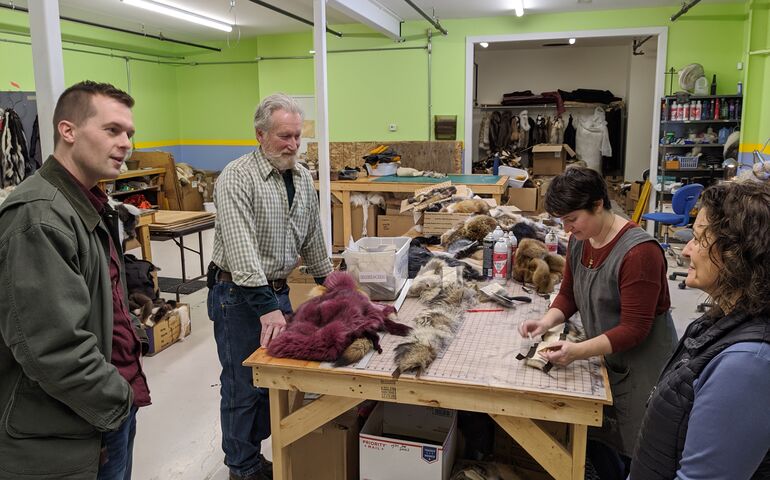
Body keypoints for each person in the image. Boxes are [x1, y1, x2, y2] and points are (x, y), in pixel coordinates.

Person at [0, 81, 151, 480]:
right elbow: (51, 347)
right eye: (112, 130)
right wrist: (118, 400)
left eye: (130, 134)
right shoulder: (39, 217)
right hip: (71, 425)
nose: (125, 144)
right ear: (68, 131)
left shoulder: (86, 203)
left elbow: (108, 301)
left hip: (100, 413)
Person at [518, 166, 677, 477]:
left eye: (572, 219)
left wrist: (577, 351)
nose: (566, 229)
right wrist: (545, 321)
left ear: (598, 204)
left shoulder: (639, 254)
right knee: (601, 442)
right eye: (562, 221)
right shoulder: (582, 239)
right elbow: (569, 294)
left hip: (643, 369)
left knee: (639, 451)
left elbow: (635, 328)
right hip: (607, 356)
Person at [208, 93, 333, 480]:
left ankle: (257, 453)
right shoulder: (236, 177)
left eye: (298, 136)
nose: (293, 145)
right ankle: (241, 468)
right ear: (260, 135)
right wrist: (268, 307)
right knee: (243, 386)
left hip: (275, 293)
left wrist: (333, 286)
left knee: (274, 383)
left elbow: (312, 236)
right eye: (284, 136)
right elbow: (242, 251)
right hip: (239, 296)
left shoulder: (299, 176)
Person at [631, 181, 770, 479]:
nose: (686, 252)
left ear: (734, 254)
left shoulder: (748, 364)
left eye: (698, 239)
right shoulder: (719, 322)